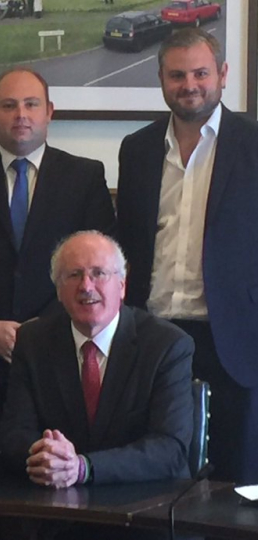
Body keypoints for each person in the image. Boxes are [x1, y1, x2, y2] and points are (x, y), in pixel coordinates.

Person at [0, 67, 115, 450]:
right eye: (9, 105)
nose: (21, 114)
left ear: (50, 111)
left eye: (31, 104)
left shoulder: (84, 177)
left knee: (52, 475)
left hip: (59, 357)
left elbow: (101, 270)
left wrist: (42, 328)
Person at [116, 28, 258, 485]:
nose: (189, 85)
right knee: (153, 474)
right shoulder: (136, 149)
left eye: (200, 73)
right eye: (177, 75)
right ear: (160, 78)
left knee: (233, 483)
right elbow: (127, 244)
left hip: (232, 340)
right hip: (151, 335)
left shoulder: (253, 145)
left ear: (222, 75)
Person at [0, 231, 193, 488]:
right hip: (57, 506)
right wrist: (47, 454)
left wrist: (83, 467)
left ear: (122, 285)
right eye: (74, 275)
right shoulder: (33, 341)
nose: (86, 286)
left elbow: (170, 448)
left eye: (98, 273)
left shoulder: (166, 345)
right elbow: (13, 434)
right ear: (58, 290)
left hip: (144, 504)